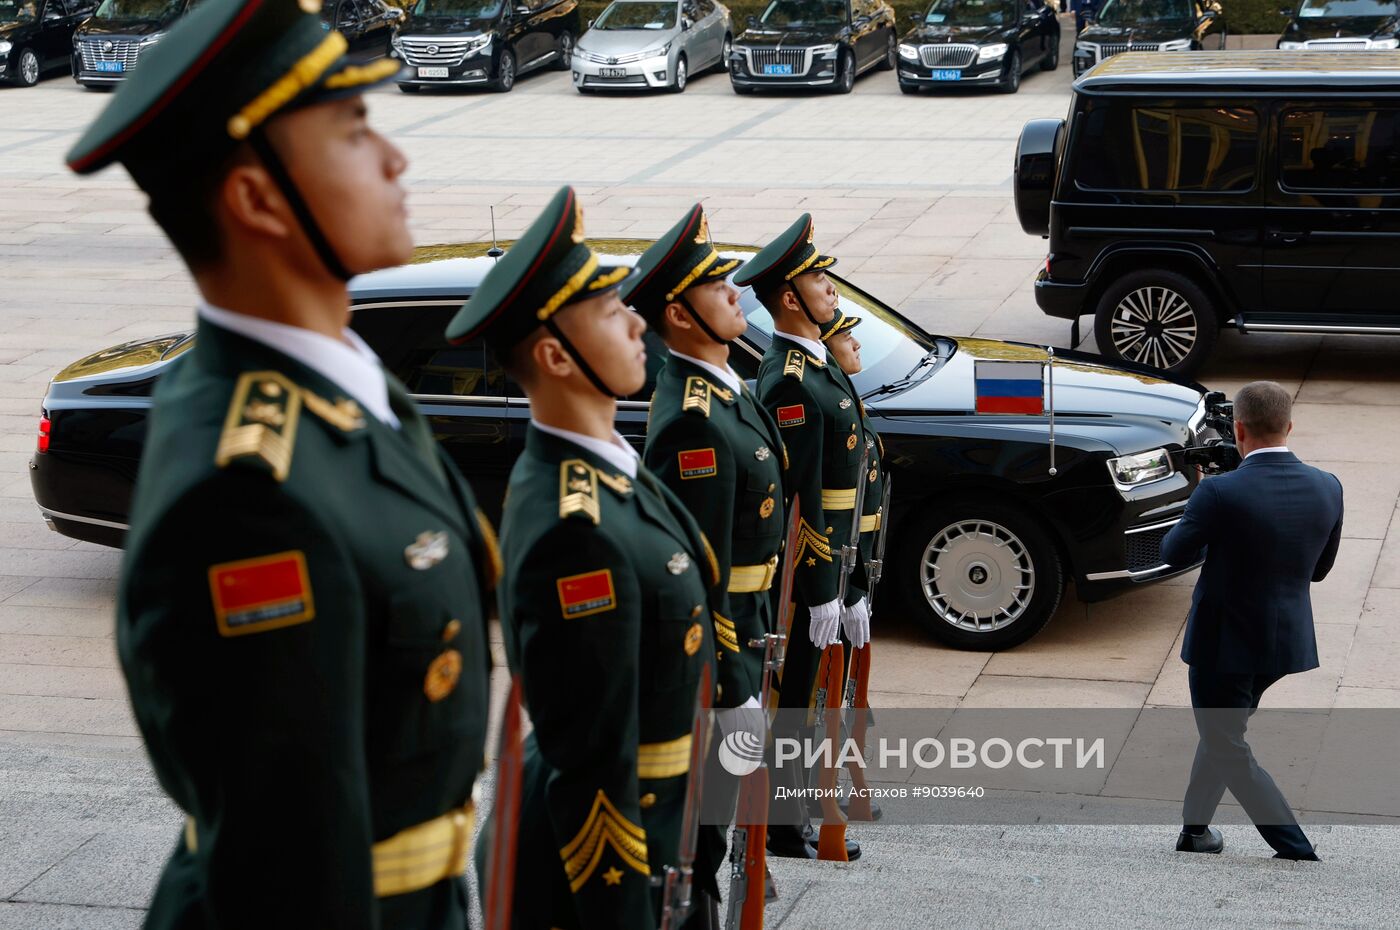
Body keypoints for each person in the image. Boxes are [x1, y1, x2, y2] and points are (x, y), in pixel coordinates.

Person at [66, 0, 498, 926]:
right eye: (353, 133)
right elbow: (293, 862)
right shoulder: (246, 492)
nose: (396, 160)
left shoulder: (333, 388)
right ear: (258, 199)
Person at [449, 186, 723, 929]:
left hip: (667, 828)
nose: (638, 320)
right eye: (609, 312)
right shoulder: (576, 526)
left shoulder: (609, 472)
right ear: (553, 355)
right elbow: (591, 768)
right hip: (605, 875)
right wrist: (626, 910)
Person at [624, 203, 788, 879]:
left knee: (722, 836)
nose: (735, 292)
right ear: (681, 318)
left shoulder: (726, 390)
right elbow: (698, 570)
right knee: (707, 846)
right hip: (729, 655)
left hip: (756, 635)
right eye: (716, 286)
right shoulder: (692, 422)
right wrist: (732, 685)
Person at [1161, 380, 1343, 862]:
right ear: (1289, 426)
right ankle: (1194, 831)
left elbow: (1172, 552)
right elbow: (1319, 571)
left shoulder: (1218, 491)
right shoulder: (1328, 486)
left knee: (1225, 743)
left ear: (1237, 428)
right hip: (1283, 646)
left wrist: (1197, 498)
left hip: (1223, 647)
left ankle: (1295, 847)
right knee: (1224, 732)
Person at [733, 215, 865, 861]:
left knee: (815, 698)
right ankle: (783, 823)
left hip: (833, 566)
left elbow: (850, 485)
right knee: (793, 698)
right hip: (805, 576)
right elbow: (797, 502)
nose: (830, 288)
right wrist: (817, 589)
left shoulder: (814, 365)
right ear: (790, 297)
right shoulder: (787, 378)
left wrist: (855, 581)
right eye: (818, 277)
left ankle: (800, 806)